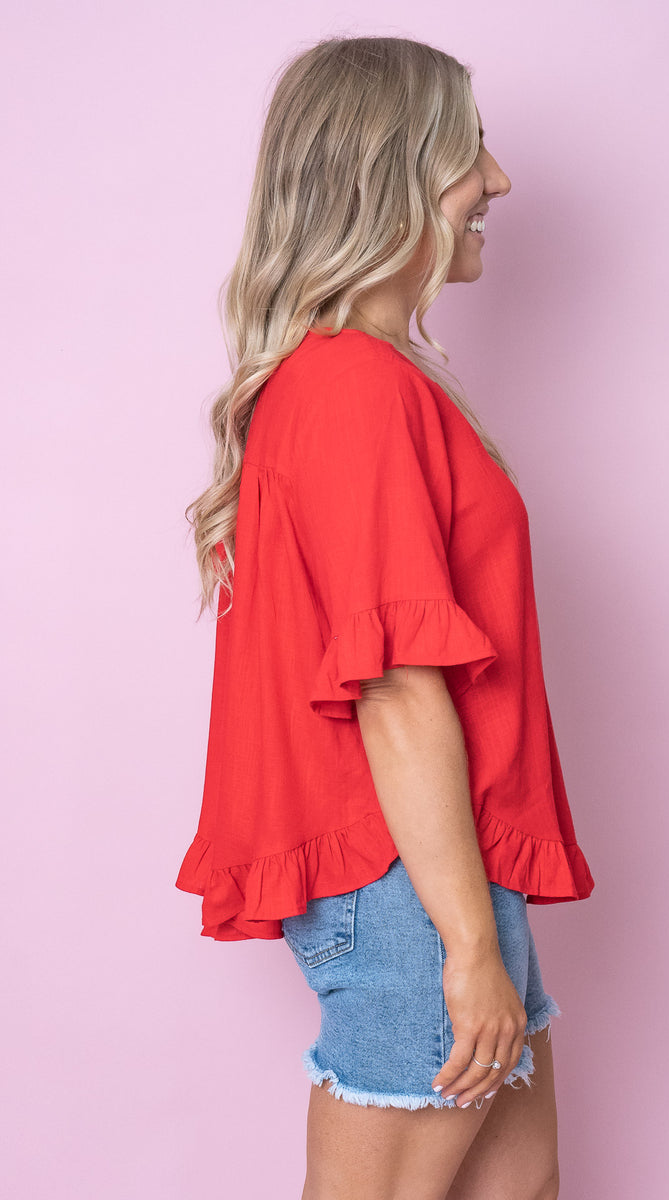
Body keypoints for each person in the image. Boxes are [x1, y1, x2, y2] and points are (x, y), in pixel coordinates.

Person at [175, 33, 594, 1200]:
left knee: (517, 1186)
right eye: (468, 151)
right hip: (411, 887)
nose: (495, 180)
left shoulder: (364, 379)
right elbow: (397, 689)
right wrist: (465, 944)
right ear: (391, 173)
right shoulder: (352, 387)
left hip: (438, 873)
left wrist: (474, 927)